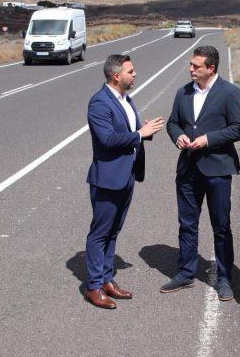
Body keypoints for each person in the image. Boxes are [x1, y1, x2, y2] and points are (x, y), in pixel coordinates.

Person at [164, 45, 240, 300]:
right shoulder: (183, 93)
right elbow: (173, 123)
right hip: (188, 169)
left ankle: (224, 278)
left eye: (196, 66)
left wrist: (209, 139)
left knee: (221, 226)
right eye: (191, 65)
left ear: (210, 68)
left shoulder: (230, 93)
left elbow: (238, 129)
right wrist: (178, 136)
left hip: (217, 169)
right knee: (187, 224)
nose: (190, 69)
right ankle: (186, 272)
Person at [84, 54, 164, 309]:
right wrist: (140, 134)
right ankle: (93, 286)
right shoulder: (99, 103)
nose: (135, 74)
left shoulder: (125, 99)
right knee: (100, 233)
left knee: (114, 231)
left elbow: (130, 133)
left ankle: (107, 279)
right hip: (107, 178)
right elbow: (107, 139)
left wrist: (143, 132)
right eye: (131, 71)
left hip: (126, 175)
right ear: (116, 75)